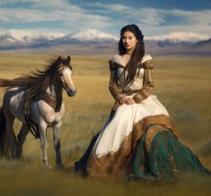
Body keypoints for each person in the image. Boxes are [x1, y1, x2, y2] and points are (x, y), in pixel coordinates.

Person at [74, 24, 210, 181]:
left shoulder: (146, 58)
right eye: (124, 38)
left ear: (137, 40)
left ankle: (159, 167)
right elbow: (112, 84)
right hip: (124, 102)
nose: (126, 41)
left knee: (155, 133)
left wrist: (135, 99)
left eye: (130, 38)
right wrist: (121, 98)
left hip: (143, 102)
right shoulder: (115, 59)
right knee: (111, 135)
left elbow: (149, 85)